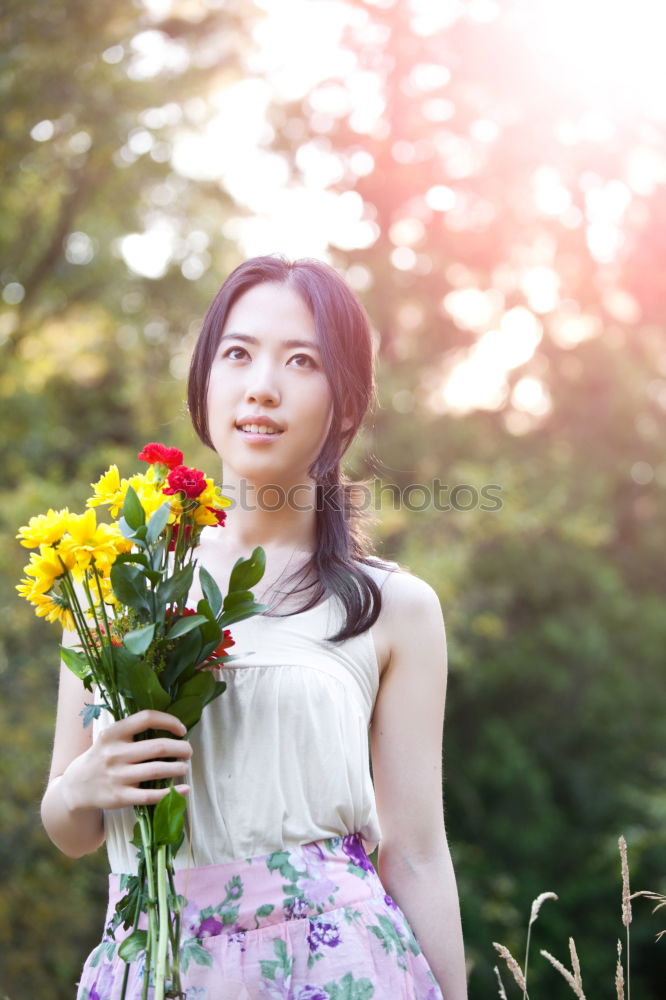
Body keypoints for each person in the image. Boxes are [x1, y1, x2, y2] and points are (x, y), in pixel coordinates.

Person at [41, 255, 468, 1000]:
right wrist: (84, 784)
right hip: (153, 966)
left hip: (341, 967)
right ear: (205, 384)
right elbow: (68, 827)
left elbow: (419, 854)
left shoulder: (393, 607)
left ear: (344, 406)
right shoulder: (109, 582)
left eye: (301, 360)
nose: (262, 385)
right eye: (237, 354)